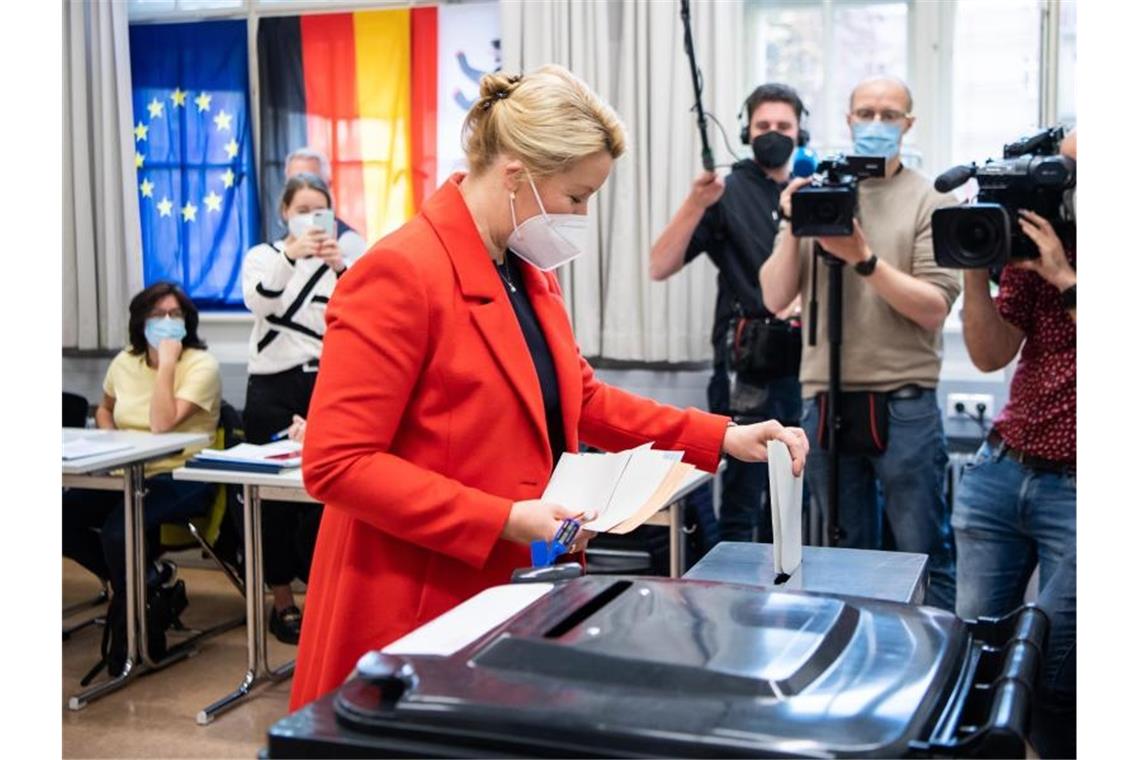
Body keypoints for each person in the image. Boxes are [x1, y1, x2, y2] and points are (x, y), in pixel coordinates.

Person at [289, 65, 810, 709]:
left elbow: (584, 401)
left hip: (511, 581)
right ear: (515, 176)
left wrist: (724, 436)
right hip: (417, 594)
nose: (582, 215)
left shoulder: (527, 272)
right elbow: (338, 464)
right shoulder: (399, 273)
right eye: (576, 196)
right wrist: (506, 517)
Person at [759, 76, 960, 611]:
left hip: (905, 404)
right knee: (841, 555)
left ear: (908, 124)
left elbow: (934, 307)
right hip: (825, 401)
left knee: (922, 551)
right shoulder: (821, 192)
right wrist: (788, 220)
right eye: (865, 113)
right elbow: (776, 297)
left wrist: (863, 258)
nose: (876, 124)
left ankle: (933, 669)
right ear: (847, 120)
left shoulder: (930, 198)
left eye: (889, 114)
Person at [955, 131, 1076, 758]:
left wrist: (1067, 279)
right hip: (1003, 470)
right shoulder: (1037, 249)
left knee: (1057, 669)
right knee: (975, 654)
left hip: (1081, 493)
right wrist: (977, 272)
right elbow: (989, 354)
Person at [650, 83, 808, 544]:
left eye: (783, 126)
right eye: (763, 126)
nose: (773, 133)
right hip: (747, 369)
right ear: (746, 130)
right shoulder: (728, 191)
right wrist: (695, 203)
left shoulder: (813, 193)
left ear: (802, 133)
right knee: (743, 494)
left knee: (803, 491)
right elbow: (659, 265)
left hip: (809, 366)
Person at [62, 282, 221, 676]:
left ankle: (133, 604)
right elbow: (105, 407)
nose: (167, 323)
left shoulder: (201, 366)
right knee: (61, 517)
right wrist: (107, 433)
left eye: (175, 315)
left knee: (119, 533)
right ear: (140, 322)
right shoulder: (124, 362)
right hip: (125, 469)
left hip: (182, 473)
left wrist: (166, 364)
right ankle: (143, 582)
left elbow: (160, 423)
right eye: (158, 315)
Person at [241, 172, 359, 644]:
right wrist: (291, 253)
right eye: (301, 209)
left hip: (327, 384)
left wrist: (342, 270)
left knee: (323, 495)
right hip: (272, 386)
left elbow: (361, 314)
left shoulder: (343, 259)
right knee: (271, 500)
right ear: (284, 212)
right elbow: (262, 303)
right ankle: (281, 600)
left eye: (320, 209)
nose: (310, 218)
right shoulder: (264, 257)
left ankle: (322, 597)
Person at [284, 147, 368, 262]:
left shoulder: (349, 242)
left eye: (312, 181)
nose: (303, 187)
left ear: (328, 185)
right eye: (294, 182)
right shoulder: (274, 250)